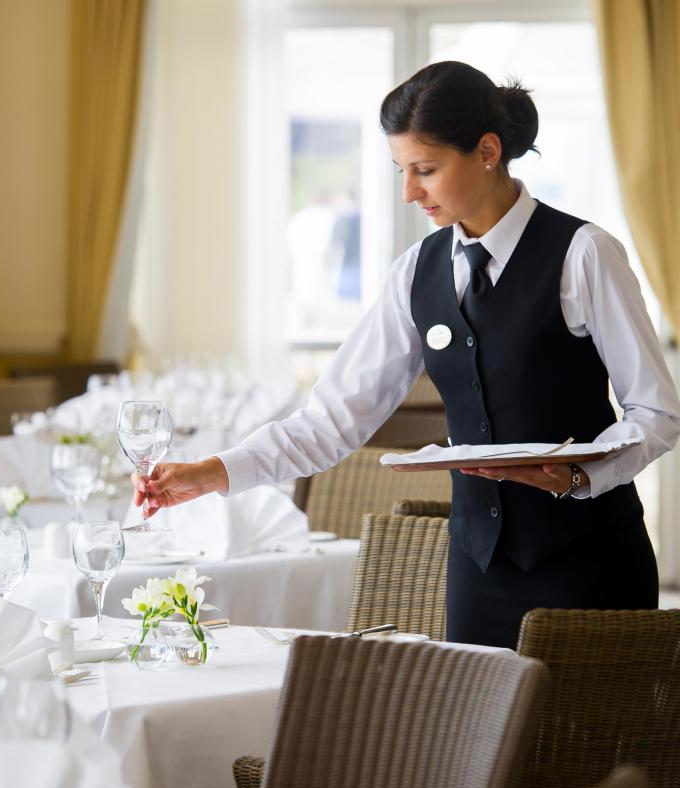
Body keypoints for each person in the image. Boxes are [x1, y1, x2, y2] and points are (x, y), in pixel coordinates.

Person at [132, 61, 680, 649]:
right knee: (479, 741)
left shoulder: (585, 254)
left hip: (587, 562)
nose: (409, 192)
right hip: (478, 570)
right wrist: (212, 473)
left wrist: (577, 477)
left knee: (591, 741)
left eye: (426, 170)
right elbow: (332, 421)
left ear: (488, 150)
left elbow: (657, 414)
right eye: (401, 170)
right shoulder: (415, 272)